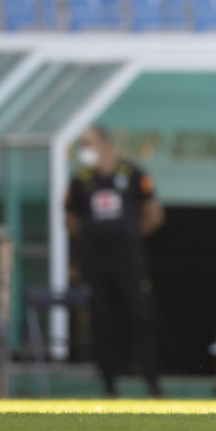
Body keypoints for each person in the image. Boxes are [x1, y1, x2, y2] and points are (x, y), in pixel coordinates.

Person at [65, 125, 165, 396]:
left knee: (140, 317)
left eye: (89, 143)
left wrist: (130, 236)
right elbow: (71, 220)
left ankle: (151, 382)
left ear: (105, 144)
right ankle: (109, 384)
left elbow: (154, 214)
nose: (85, 150)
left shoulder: (132, 174)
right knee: (101, 322)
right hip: (96, 263)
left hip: (129, 261)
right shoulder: (80, 181)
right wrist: (87, 244)